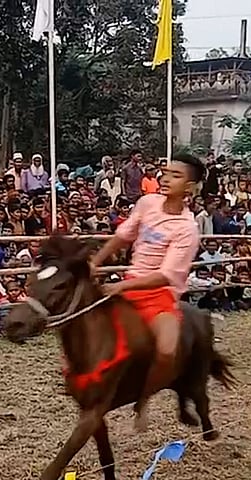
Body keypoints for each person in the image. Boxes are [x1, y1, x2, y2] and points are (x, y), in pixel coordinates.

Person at [89, 151, 204, 431]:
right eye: (165, 172)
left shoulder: (187, 228)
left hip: (160, 296)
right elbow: (123, 236)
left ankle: (144, 398)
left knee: (166, 350)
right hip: (130, 281)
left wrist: (120, 285)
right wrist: (96, 261)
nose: (165, 178)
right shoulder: (146, 202)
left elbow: (166, 275)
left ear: (190, 187)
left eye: (175, 175)